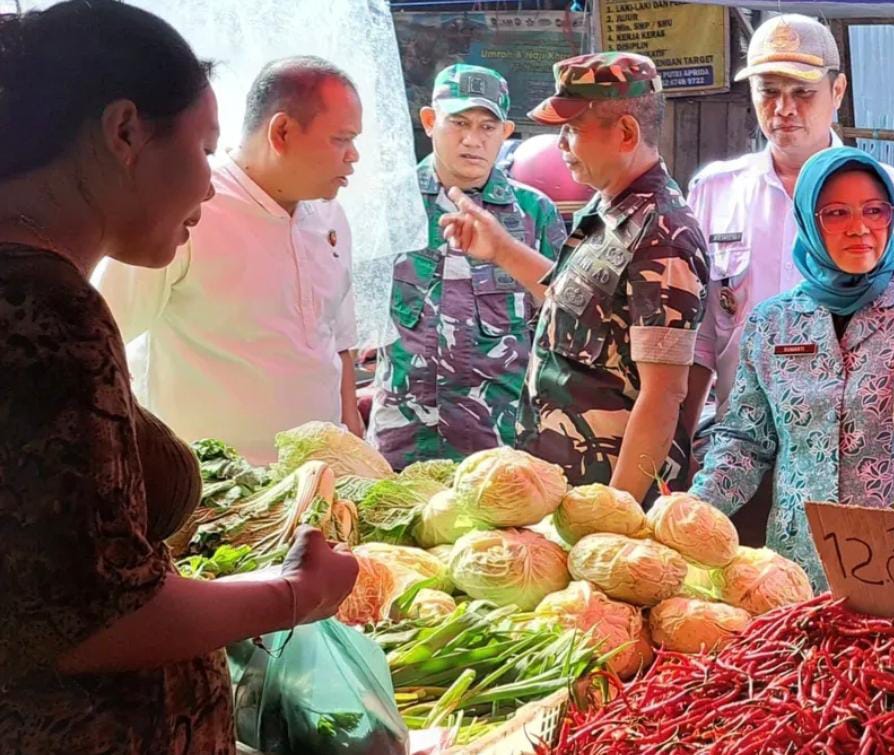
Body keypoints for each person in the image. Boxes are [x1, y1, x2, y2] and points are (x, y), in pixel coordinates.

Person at [0, 2, 357, 751]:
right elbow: (95, 618)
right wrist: (296, 593)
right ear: (124, 132)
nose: (207, 183)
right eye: (202, 148)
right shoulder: (46, 310)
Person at [680, 14, 894, 543]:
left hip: (872, 478)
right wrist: (679, 449)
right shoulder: (716, 191)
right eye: (768, 90)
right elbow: (700, 341)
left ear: (837, 90)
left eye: (802, 91)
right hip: (741, 448)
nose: (784, 109)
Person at [688, 147, 894, 584]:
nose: (860, 228)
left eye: (875, 211)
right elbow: (746, 443)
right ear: (807, 219)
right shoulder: (772, 323)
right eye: (837, 213)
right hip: (797, 568)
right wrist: (690, 514)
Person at [438, 52, 709, 502]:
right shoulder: (607, 207)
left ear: (626, 133)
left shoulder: (664, 234)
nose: (561, 144)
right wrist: (501, 248)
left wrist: (618, 513)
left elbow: (664, 396)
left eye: (573, 130)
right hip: (566, 485)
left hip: (610, 495)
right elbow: (575, 304)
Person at [95, 54, 364, 465]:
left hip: (318, 484)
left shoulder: (330, 215)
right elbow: (104, 334)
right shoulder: (186, 209)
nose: (354, 156)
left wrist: (355, 445)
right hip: (212, 494)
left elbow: (338, 341)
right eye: (341, 139)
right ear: (282, 132)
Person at [366, 64, 567, 470]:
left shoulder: (533, 213)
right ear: (429, 121)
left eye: (487, 127)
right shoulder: (388, 205)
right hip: (402, 441)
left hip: (501, 444)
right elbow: (345, 319)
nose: (472, 140)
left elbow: (564, 315)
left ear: (506, 132)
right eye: (459, 122)